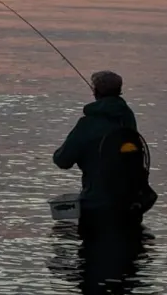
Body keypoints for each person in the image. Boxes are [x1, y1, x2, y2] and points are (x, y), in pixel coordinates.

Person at [52, 70, 156, 238]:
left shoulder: (87, 124)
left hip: (96, 205)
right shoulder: (127, 118)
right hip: (130, 203)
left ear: (96, 92)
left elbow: (62, 160)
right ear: (119, 91)